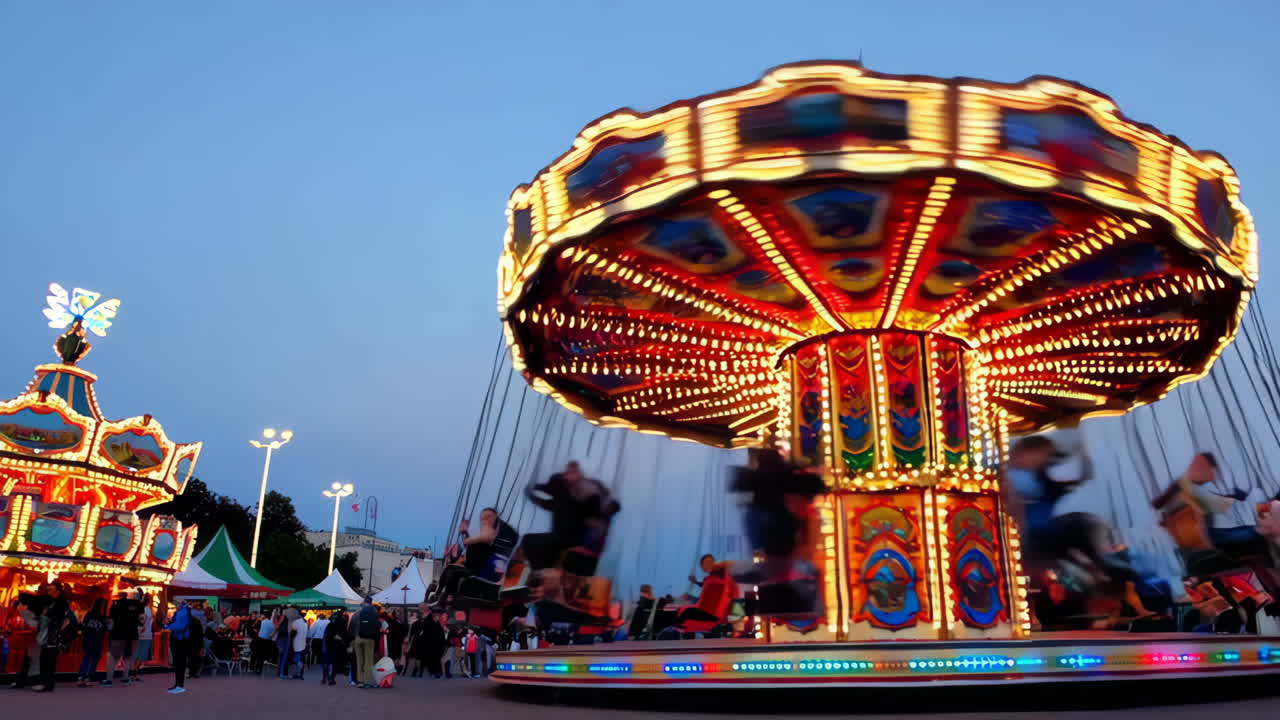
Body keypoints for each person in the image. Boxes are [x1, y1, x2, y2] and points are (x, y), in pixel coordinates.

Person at [523, 461, 621, 605]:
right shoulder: (566, 497)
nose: (568, 476)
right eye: (567, 474)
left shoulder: (587, 492)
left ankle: (551, 582)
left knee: (533, 542)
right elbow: (551, 502)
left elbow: (607, 507)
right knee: (531, 541)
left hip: (579, 547)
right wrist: (532, 492)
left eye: (572, 473)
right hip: (574, 546)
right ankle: (548, 582)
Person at [32, 582, 71, 692]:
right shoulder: (54, 602)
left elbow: (59, 618)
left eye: (51, 589)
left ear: (58, 590)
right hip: (50, 634)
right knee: (46, 659)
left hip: (52, 635)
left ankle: (46, 683)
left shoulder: (60, 603)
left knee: (48, 659)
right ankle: (46, 682)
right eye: (48, 589)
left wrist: (46, 616)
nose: (49, 592)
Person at [104, 589, 142, 686]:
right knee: (128, 656)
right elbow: (142, 619)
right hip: (132, 634)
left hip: (117, 633)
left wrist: (109, 630)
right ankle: (125, 678)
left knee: (113, 656)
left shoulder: (115, 604)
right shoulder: (137, 605)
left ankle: (109, 679)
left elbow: (110, 621)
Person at [349, 596, 379, 688]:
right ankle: (368, 681)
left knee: (359, 661)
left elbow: (351, 628)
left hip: (357, 639)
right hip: (369, 639)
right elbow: (377, 626)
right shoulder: (374, 612)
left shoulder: (356, 613)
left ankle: (360, 681)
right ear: (371, 602)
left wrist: (353, 639)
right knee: (368, 661)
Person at [78, 598, 108, 687]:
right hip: (97, 640)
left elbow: (83, 625)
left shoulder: (88, 614)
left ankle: (81, 677)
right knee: (94, 659)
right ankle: (88, 678)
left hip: (87, 639)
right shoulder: (102, 617)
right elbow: (105, 629)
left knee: (86, 657)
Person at [165, 601, 192, 694]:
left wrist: (168, 626)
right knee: (179, 663)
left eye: (175, 603)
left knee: (179, 662)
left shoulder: (182, 612)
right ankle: (178, 684)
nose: (174, 605)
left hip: (180, 640)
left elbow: (181, 626)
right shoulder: (184, 611)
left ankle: (179, 685)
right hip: (180, 639)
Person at [322, 610, 348, 686]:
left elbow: (326, 635)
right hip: (337, 646)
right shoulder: (342, 624)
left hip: (328, 644)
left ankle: (325, 678)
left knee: (326, 662)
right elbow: (345, 635)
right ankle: (331, 678)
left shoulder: (329, 625)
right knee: (334, 663)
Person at [132, 592, 153, 683]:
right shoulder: (147, 610)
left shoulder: (138, 609)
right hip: (145, 635)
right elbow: (143, 621)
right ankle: (134, 674)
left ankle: (133, 673)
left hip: (138, 634)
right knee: (141, 655)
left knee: (136, 654)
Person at [286, 607, 307, 679]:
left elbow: (290, 632)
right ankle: (300, 674)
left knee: (296, 659)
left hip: (295, 644)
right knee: (299, 658)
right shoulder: (305, 622)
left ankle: (298, 673)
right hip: (302, 644)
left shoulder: (296, 622)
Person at [308, 611, 329, 680]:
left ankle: (319, 664)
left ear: (319, 617)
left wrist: (308, 639)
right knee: (325, 656)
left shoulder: (316, 622)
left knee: (317, 654)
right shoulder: (328, 622)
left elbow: (311, 632)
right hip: (325, 640)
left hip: (317, 640)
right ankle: (325, 666)